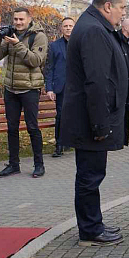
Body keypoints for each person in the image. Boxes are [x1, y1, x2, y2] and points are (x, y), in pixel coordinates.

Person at [60, 0, 129, 246]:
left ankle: (93, 224)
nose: (123, 13)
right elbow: (96, 81)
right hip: (90, 121)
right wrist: (101, 125)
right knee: (89, 176)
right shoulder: (93, 30)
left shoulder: (94, 25)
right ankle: (89, 230)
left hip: (90, 119)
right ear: (108, 5)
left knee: (91, 174)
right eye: (121, 7)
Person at [0, 8, 48, 179]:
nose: (18, 22)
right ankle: (13, 165)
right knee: (12, 128)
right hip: (11, 88)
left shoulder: (39, 36)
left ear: (29, 19)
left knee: (32, 127)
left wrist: (17, 44)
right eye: (15, 19)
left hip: (30, 88)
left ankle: (39, 165)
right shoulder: (10, 34)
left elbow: (35, 61)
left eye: (21, 19)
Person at [46, 17, 74, 157]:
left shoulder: (79, 44)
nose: (68, 28)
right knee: (61, 116)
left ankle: (73, 142)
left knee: (76, 115)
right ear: (61, 28)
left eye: (70, 26)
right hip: (61, 87)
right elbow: (49, 67)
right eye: (65, 26)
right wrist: (49, 88)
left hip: (76, 87)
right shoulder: (54, 46)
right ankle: (59, 145)